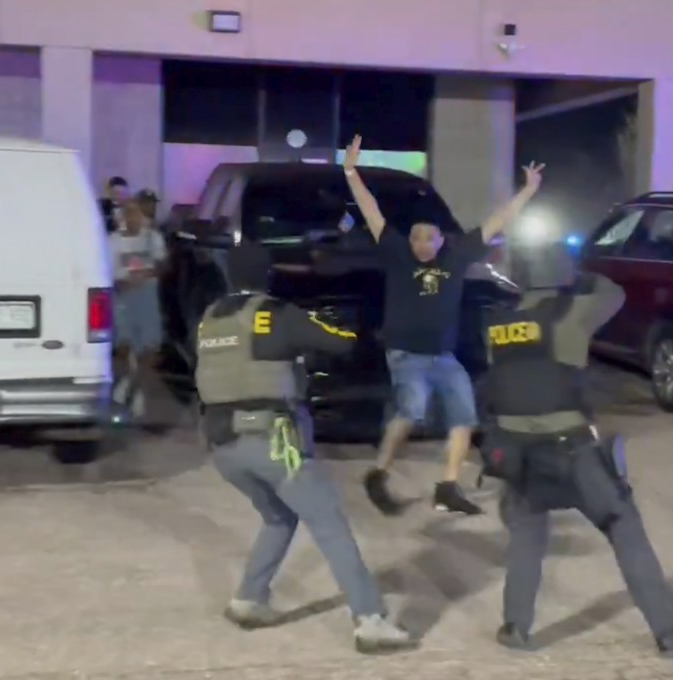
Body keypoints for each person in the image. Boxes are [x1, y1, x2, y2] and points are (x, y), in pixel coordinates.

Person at [479, 243, 673, 658]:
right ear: (560, 274)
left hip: (518, 452)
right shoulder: (572, 314)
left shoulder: (497, 325)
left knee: (527, 537)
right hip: (569, 448)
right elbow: (614, 293)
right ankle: (670, 628)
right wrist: (580, 273)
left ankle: (515, 626)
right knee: (622, 524)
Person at [196, 241, 417, 654]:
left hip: (223, 445)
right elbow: (342, 341)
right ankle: (370, 620)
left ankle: (249, 599)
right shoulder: (273, 314)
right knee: (330, 523)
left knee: (278, 517)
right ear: (268, 274)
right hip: (274, 441)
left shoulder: (211, 319)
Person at [342, 134, 544, 516]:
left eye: (428, 238)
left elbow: (498, 220)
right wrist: (351, 172)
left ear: (440, 240)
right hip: (405, 354)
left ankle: (447, 487)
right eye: (416, 237)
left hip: (443, 356)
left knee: (464, 416)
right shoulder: (398, 252)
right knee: (412, 411)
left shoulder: (457, 255)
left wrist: (527, 191)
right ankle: (378, 474)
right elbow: (371, 211)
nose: (421, 244)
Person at [110, 200, 167, 415]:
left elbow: (162, 264)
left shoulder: (153, 238)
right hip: (123, 297)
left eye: (138, 214)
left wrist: (146, 274)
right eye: (130, 214)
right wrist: (123, 283)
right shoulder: (113, 241)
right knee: (126, 347)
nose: (134, 219)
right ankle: (131, 385)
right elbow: (107, 271)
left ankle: (135, 389)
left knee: (150, 349)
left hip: (147, 297)